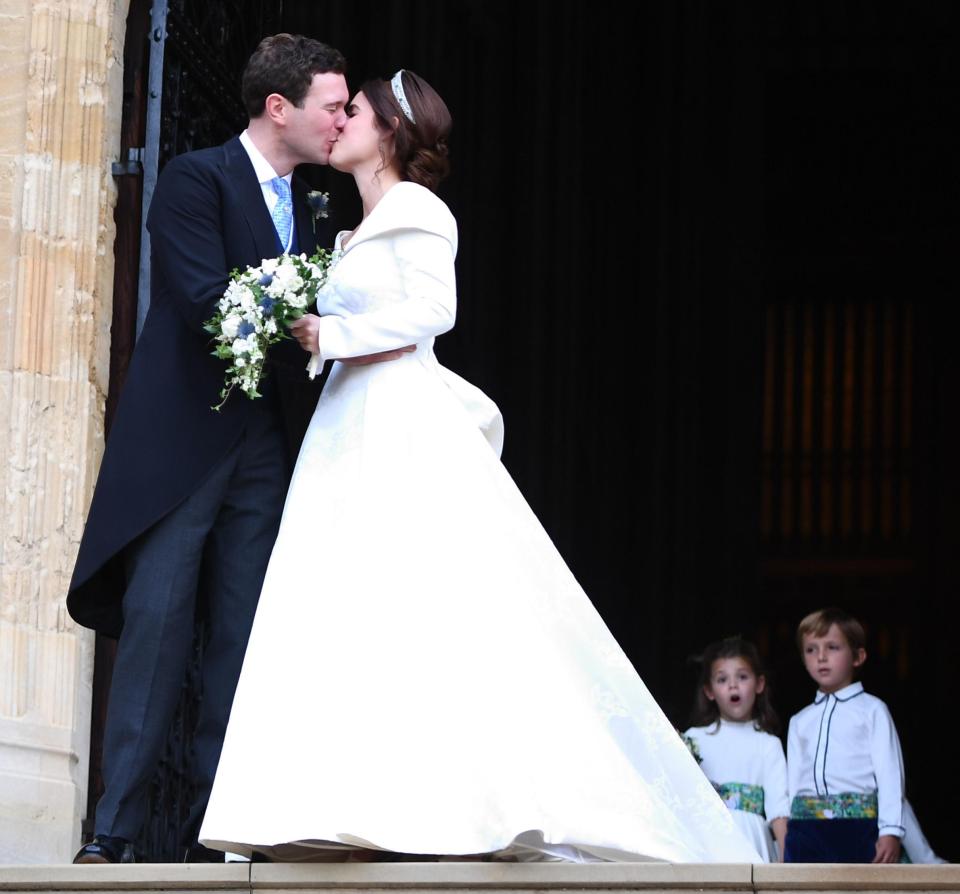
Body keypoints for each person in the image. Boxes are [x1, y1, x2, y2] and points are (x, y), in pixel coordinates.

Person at [196, 70, 761, 865]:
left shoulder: (420, 209)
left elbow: (436, 311)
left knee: (419, 598)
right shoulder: (351, 232)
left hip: (395, 418)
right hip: (349, 423)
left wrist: (332, 337)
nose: (339, 123)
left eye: (352, 110)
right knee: (346, 602)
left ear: (388, 130)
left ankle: (446, 806)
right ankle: (342, 803)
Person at [67, 34, 403, 864]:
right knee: (158, 627)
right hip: (188, 444)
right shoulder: (195, 179)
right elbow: (199, 296)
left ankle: (221, 833)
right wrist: (312, 330)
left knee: (245, 640)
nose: (340, 121)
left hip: (267, 447)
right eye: (332, 105)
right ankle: (114, 832)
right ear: (278, 108)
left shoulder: (320, 207)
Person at [785, 607, 906, 863]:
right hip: (805, 829)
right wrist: (788, 832)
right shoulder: (799, 720)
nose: (821, 657)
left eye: (832, 647)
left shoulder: (873, 710)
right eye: (811, 649)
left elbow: (890, 774)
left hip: (858, 826)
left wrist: (890, 830)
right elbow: (793, 783)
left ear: (858, 656)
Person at [682, 636, 789, 862]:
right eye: (722, 679)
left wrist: (785, 859)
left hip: (752, 840)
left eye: (742, 677)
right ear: (709, 691)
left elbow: (778, 807)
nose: (733, 685)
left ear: (759, 684)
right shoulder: (694, 738)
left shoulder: (768, 745)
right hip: (707, 841)